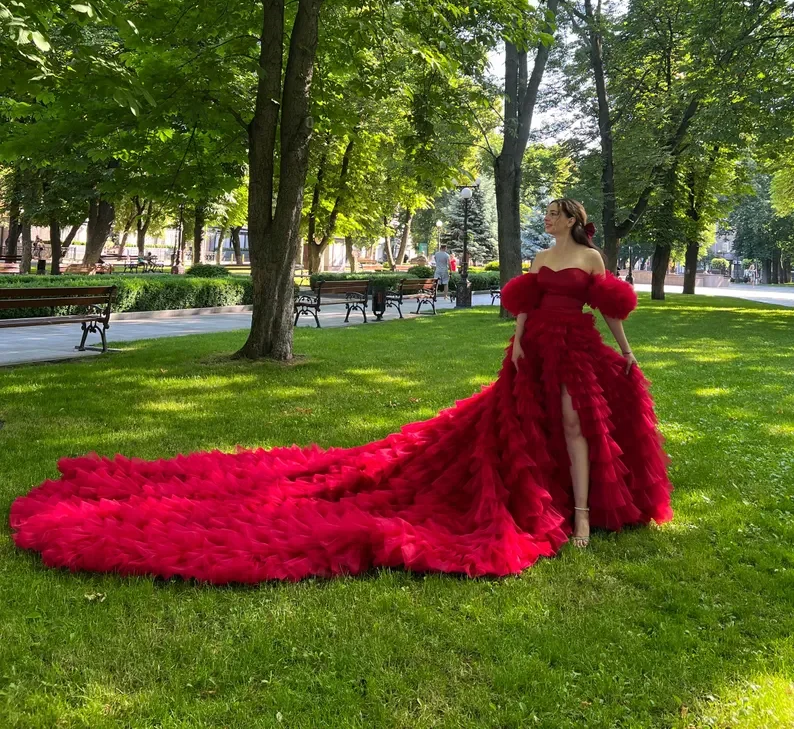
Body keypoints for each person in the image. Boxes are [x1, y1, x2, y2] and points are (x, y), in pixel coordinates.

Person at [10, 198, 672, 583]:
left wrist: (627, 354)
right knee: (529, 434)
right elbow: (525, 306)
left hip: (578, 350)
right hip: (535, 351)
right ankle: (565, 510)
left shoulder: (588, 259)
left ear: (574, 221)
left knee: (579, 427)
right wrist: (520, 341)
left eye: (556, 214)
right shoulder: (538, 260)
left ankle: (584, 517)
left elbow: (612, 309)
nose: (549, 220)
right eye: (548, 214)